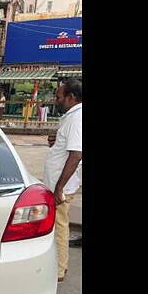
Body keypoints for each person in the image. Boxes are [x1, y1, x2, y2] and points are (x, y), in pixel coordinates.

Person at [43, 79, 82, 283]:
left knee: (59, 226)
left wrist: (59, 188)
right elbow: (68, 146)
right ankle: (58, 266)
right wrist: (56, 141)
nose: (56, 101)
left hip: (62, 187)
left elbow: (76, 154)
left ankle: (59, 270)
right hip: (57, 184)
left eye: (58, 97)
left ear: (71, 97)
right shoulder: (71, 117)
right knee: (56, 225)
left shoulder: (77, 118)